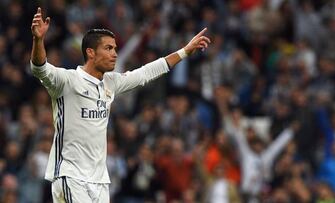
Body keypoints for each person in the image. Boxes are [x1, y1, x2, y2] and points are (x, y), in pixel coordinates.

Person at [30, 7, 210, 203]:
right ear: (90, 52)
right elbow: (40, 68)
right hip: (71, 176)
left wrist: (184, 51)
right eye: (108, 48)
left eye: (115, 48)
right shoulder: (66, 81)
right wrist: (38, 40)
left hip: (99, 181)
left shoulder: (111, 82)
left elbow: (146, 73)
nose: (115, 54)